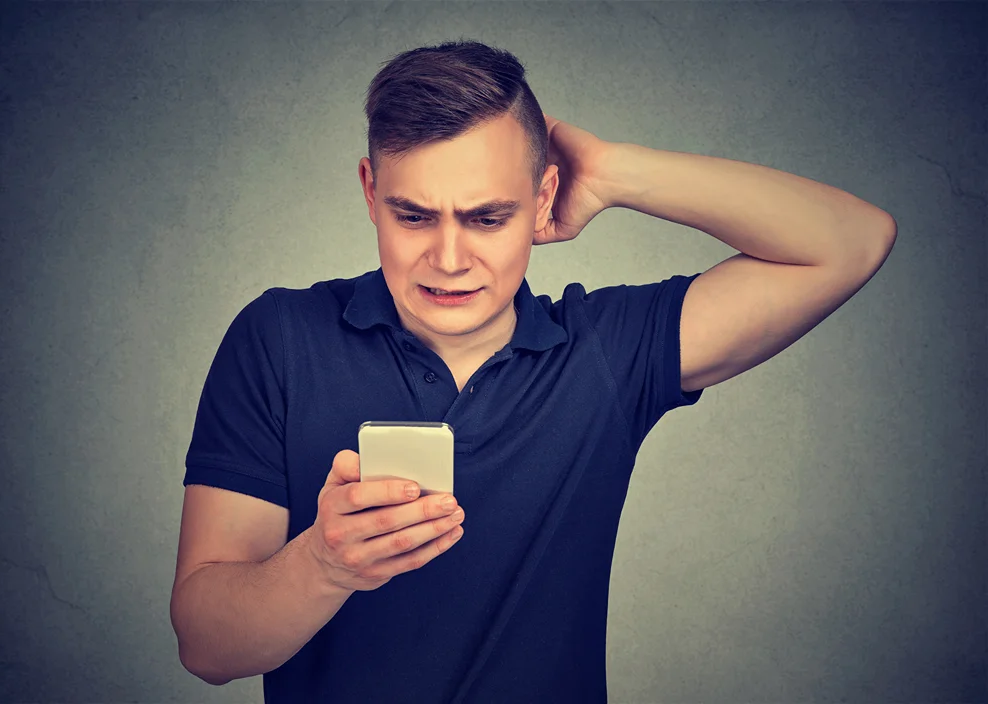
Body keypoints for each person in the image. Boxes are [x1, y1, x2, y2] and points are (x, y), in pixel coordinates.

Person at [169, 40, 896, 704]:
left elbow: (853, 242)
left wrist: (615, 173)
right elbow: (205, 646)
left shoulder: (607, 353)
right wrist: (322, 566)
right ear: (369, 191)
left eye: (487, 217)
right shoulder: (280, 339)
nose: (449, 259)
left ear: (543, 199)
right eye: (414, 216)